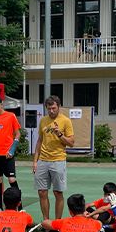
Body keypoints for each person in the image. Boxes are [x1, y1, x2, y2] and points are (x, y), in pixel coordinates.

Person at [32, 95, 74, 223]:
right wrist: (35, 161)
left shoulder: (66, 121)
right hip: (43, 160)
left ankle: (57, 222)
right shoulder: (43, 121)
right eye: (49, 108)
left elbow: (71, 142)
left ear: (58, 107)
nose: (51, 111)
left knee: (58, 193)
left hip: (58, 160)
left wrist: (59, 134)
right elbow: (39, 141)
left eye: (54, 108)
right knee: (42, 192)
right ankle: (46, 220)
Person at [0, 95, 21, 210]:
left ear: (1, 104)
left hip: (8, 155)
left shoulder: (11, 116)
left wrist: (12, 150)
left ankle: (19, 206)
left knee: (12, 180)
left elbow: (17, 135)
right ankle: (0, 207)